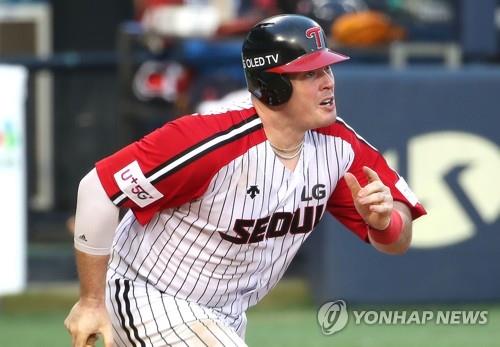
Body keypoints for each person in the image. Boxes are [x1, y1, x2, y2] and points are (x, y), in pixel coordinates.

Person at [64, 14, 426, 347]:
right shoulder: (208, 140)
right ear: (271, 85)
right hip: (148, 294)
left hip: (225, 316)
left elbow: (398, 238)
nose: (327, 82)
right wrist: (92, 301)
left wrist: (384, 221)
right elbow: (97, 189)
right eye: (309, 74)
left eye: (327, 69)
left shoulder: (340, 147)